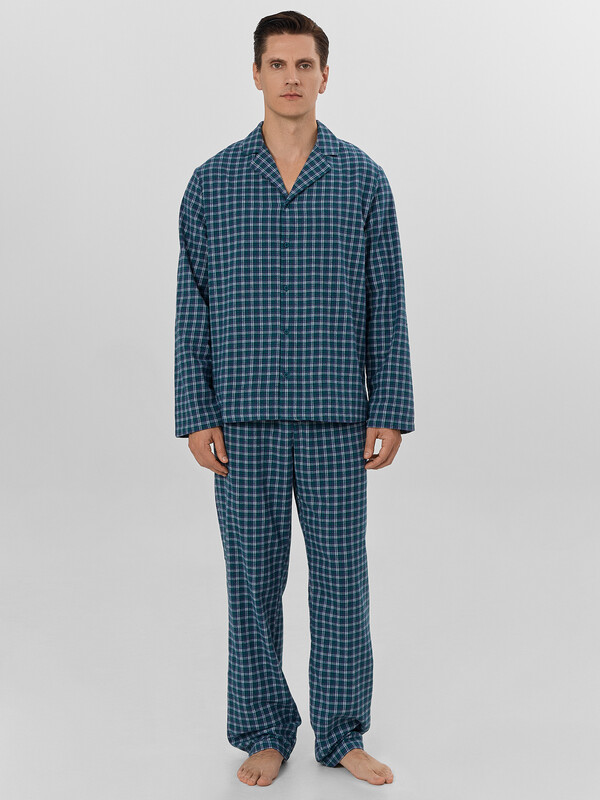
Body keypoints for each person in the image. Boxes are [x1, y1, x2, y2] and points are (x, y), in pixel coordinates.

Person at [174, 10, 414, 788]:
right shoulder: (212, 183)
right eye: (276, 64)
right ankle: (264, 731)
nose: (290, 77)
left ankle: (341, 733)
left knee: (341, 582)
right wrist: (197, 412)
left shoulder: (363, 179)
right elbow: (192, 305)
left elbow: (387, 302)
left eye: (303, 65)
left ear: (324, 76)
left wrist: (390, 407)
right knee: (252, 583)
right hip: (241, 418)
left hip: (336, 415)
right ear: (255, 73)